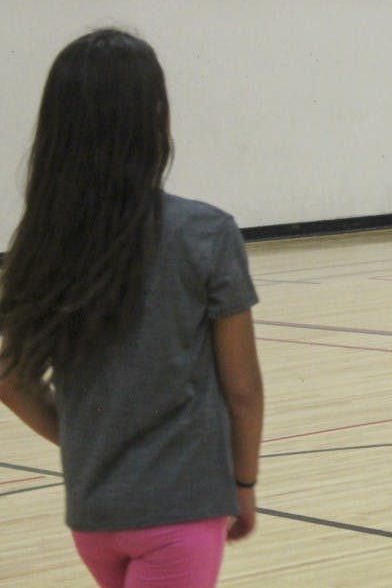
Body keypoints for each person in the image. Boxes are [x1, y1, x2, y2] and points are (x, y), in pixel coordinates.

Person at [0, 29, 264, 587]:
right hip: (180, 509)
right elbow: (243, 389)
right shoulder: (206, 233)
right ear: (155, 118)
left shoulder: (41, 241)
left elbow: (10, 377)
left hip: (93, 515)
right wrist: (242, 483)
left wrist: (83, 441)